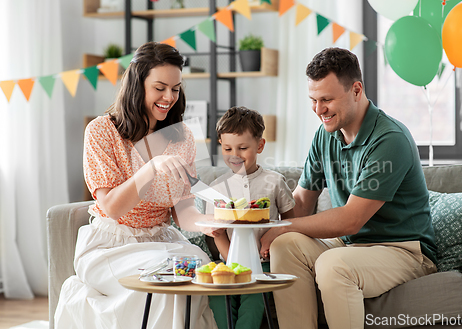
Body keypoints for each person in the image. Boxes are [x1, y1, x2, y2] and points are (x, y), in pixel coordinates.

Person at [260, 47, 438, 329]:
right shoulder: (326, 134)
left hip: (405, 251)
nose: (319, 110)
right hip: (351, 247)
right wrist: (259, 222)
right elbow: (302, 203)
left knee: (334, 265)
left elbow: (350, 220)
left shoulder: (389, 139)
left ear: (356, 90)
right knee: (285, 245)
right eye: (313, 100)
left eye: (327, 100)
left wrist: (283, 226)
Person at [54, 42, 218, 329]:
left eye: (176, 88)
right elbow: (112, 208)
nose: (169, 97)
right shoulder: (101, 131)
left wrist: (213, 222)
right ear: (137, 84)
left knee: (198, 266)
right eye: (160, 87)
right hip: (111, 245)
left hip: (162, 242)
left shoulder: (183, 137)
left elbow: (184, 211)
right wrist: (150, 169)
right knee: (168, 281)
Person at [205, 106, 295, 329]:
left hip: (266, 264)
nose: (234, 155)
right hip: (229, 264)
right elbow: (217, 234)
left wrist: (273, 237)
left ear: (260, 145)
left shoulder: (274, 181)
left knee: (253, 298)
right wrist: (234, 265)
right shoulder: (217, 188)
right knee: (218, 296)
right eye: (227, 148)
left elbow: (291, 223)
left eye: (243, 148)